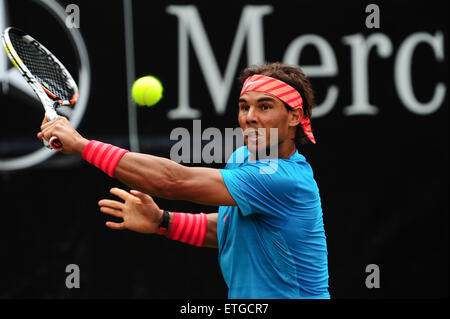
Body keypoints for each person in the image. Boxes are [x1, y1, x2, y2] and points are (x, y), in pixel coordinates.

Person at [38, 62, 330, 299]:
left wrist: (82, 146)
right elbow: (230, 229)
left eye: (264, 107)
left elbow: (172, 181)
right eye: (244, 107)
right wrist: (164, 221)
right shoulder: (243, 157)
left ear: (295, 117)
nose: (249, 117)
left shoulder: (282, 178)